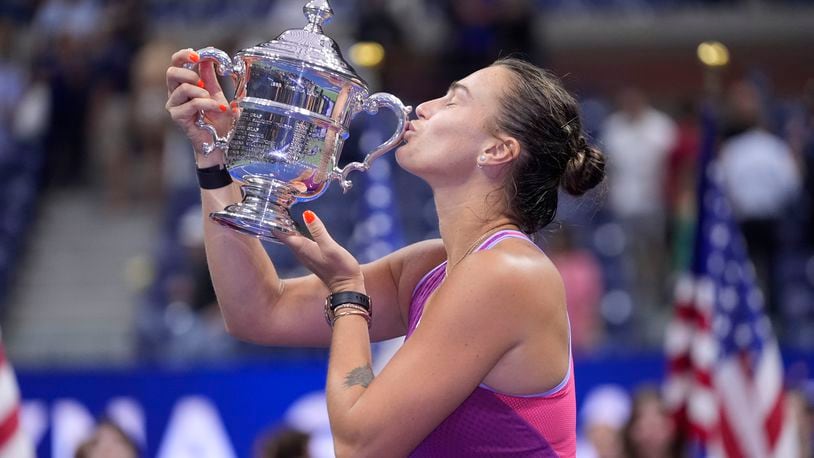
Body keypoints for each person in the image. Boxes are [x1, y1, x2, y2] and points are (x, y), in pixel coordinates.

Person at [166, 49, 605, 456]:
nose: (423, 107)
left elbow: (359, 445)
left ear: (496, 150)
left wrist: (347, 294)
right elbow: (257, 311)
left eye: (454, 101)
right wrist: (214, 154)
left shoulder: (507, 272)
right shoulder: (433, 267)